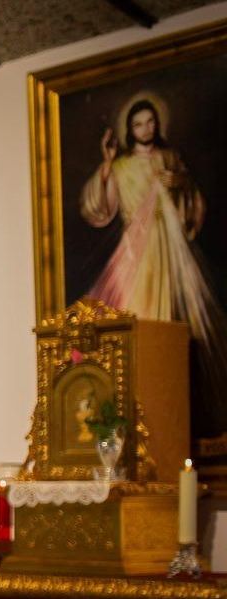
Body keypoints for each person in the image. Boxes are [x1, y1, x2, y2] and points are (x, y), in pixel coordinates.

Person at [80, 94, 227, 406]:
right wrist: (106, 164)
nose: (145, 129)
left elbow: (191, 203)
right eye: (138, 124)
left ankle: (176, 398)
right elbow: (101, 207)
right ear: (129, 129)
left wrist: (177, 183)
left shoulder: (170, 158)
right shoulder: (120, 166)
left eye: (149, 122)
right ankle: (143, 399)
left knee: (178, 318)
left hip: (170, 248)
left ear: (157, 124)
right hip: (136, 252)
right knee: (137, 318)